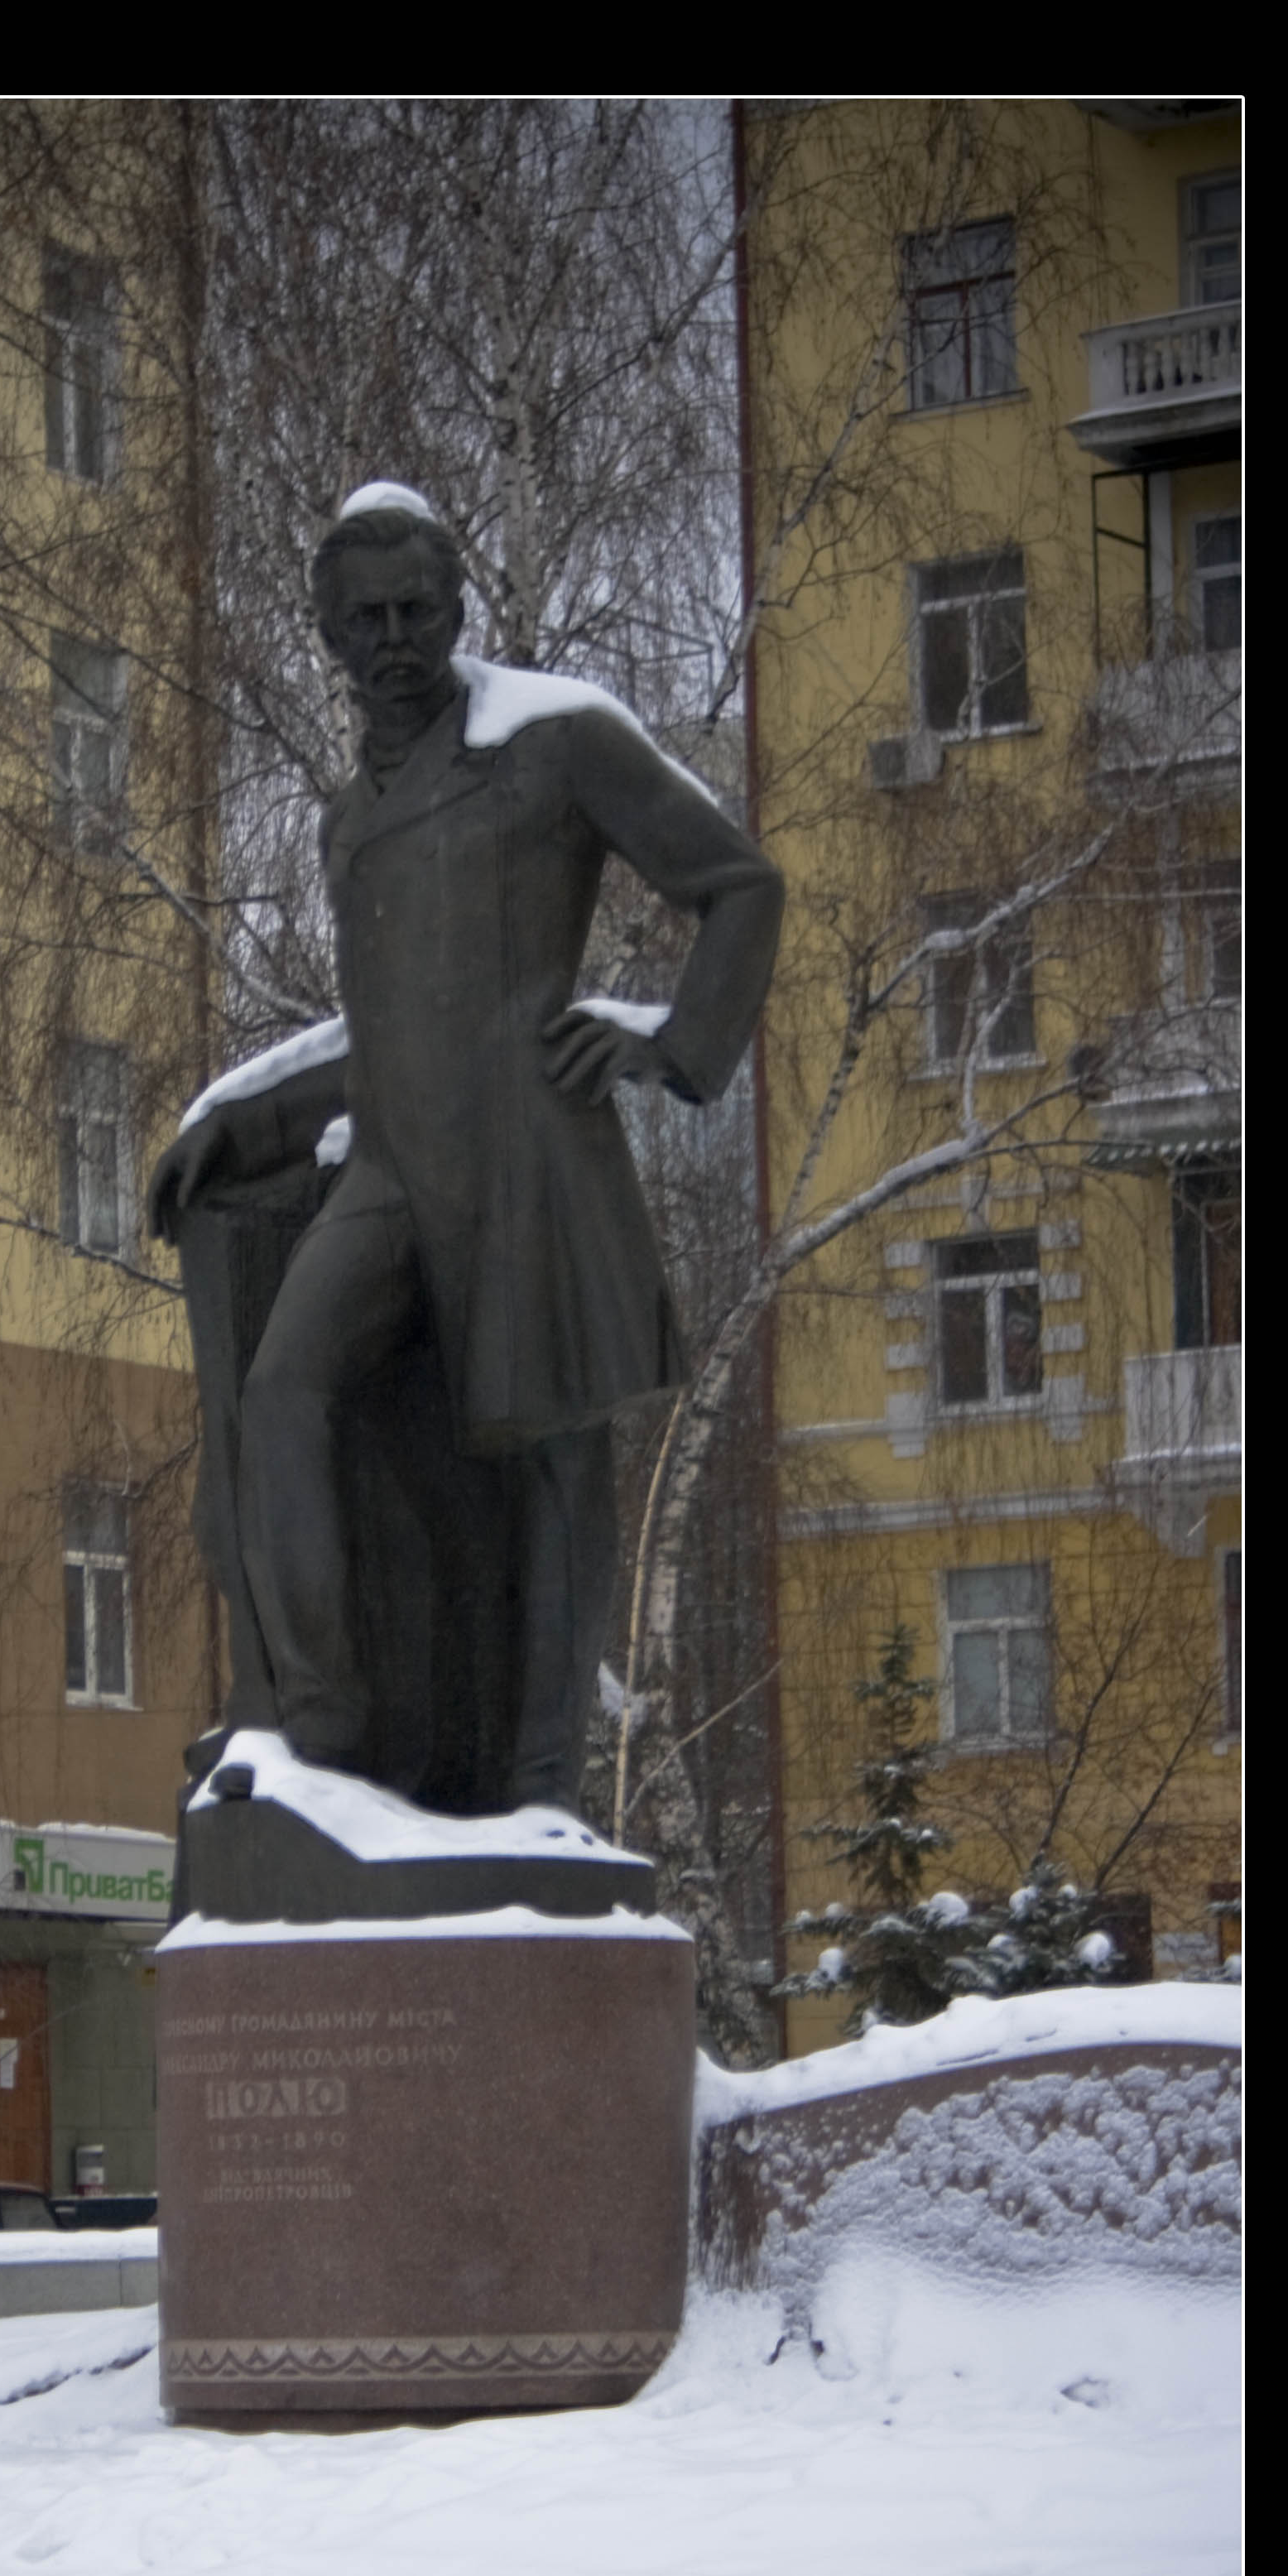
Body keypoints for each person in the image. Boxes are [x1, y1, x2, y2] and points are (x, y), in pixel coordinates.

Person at [151, 485, 781, 1818]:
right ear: (328, 632)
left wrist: (667, 1043)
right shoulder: (345, 818)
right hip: (390, 1169)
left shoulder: (553, 741)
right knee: (283, 1395)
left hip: (528, 1165)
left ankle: (549, 1778)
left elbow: (737, 885)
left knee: (558, 1470)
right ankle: (317, 1716)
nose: (394, 638)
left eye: (417, 611)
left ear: (456, 611)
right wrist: (239, 1119)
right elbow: (387, 1032)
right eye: (366, 617)